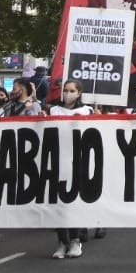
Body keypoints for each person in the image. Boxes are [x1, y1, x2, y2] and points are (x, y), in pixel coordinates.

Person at [48, 80, 92, 258]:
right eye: (65, 90)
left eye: (72, 90)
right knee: (59, 204)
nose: (68, 94)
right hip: (58, 160)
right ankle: (61, 242)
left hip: (77, 160)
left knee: (72, 202)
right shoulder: (53, 111)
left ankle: (75, 241)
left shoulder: (86, 111)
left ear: (79, 93)